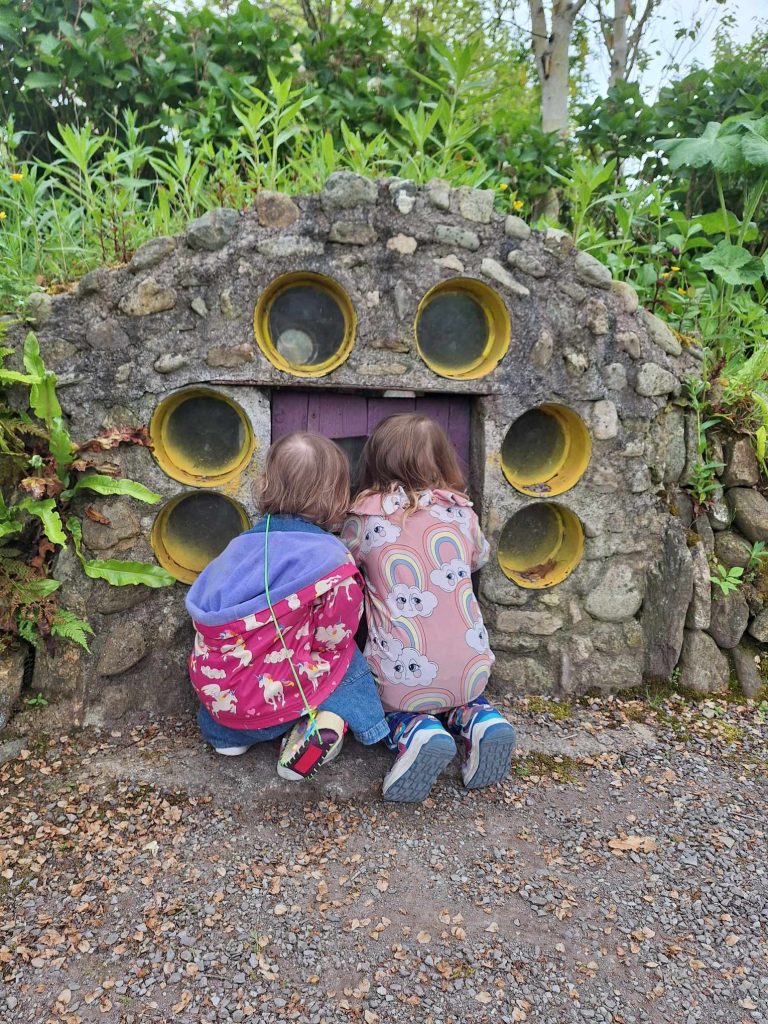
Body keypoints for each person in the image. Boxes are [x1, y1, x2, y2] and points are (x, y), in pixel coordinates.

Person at [185, 432, 388, 781]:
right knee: (346, 658)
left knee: (231, 697)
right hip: (284, 693)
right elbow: (335, 636)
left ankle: (228, 742)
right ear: (337, 496)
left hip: (225, 705)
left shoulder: (237, 548)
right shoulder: (330, 558)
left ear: (265, 484)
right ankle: (328, 723)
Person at [342, 413, 516, 802]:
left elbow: (343, 566)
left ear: (376, 460)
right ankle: (481, 720)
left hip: (401, 678)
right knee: (457, 695)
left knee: (391, 698)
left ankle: (416, 732)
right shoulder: (462, 513)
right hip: (473, 669)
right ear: (443, 460)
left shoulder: (364, 519)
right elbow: (478, 560)